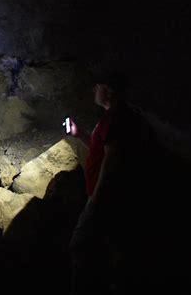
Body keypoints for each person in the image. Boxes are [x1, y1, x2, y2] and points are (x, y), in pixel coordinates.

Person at [68, 69, 155, 294]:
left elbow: (111, 161)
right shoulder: (112, 117)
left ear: (109, 92)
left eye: (98, 86)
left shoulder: (116, 118)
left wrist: (96, 199)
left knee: (80, 244)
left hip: (104, 197)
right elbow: (101, 151)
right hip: (107, 196)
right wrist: (80, 135)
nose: (94, 90)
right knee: (112, 246)